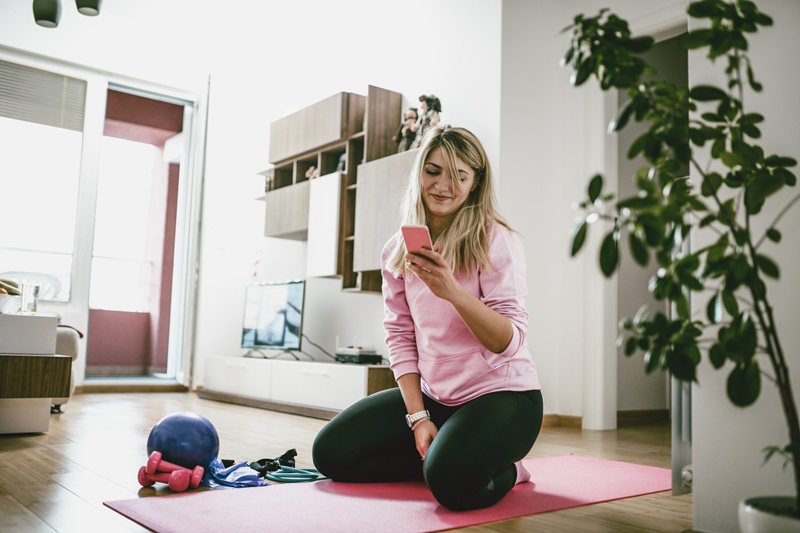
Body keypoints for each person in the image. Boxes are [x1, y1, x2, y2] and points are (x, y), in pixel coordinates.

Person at [312, 124, 543, 511]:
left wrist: (451, 291)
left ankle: (509, 468)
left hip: (503, 397)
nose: (442, 185)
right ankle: (443, 458)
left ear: (475, 183)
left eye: (459, 175)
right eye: (433, 171)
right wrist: (419, 417)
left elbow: (509, 340)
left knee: (451, 486)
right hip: (437, 398)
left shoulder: (496, 239)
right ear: (419, 173)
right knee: (332, 454)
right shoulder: (397, 252)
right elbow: (399, 335)